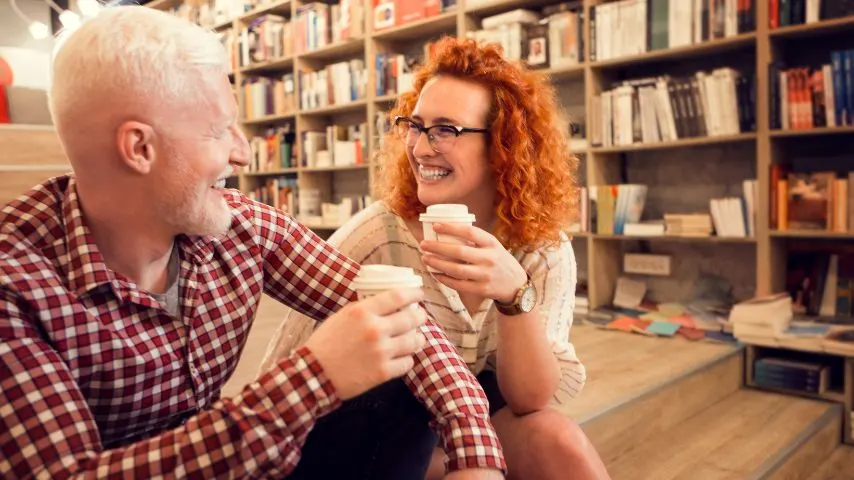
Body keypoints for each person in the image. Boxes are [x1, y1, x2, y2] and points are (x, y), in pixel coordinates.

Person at [0, 7, 507, 479]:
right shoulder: (13, 286)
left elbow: (405, 323)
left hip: (238, 457)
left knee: (396, 371)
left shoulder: (241, 225)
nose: (243, 154)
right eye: (220, 130)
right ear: (139, 147)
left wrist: (475, 455)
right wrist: (312, 378)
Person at [260, 36, 612, 480]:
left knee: (558, 439)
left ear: (505, 145)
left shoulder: (543, 249)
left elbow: (529, 400)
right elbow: (283, 371)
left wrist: (513, 293)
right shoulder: (375, 235)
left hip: (473, 423)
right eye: (415, 125)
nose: (422, 147)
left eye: (446, 129)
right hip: (372, 434)